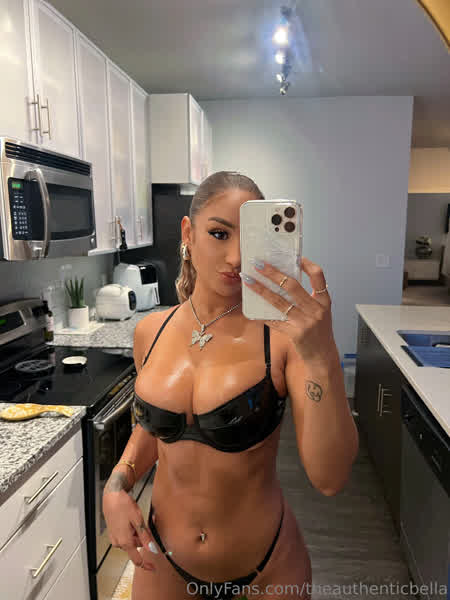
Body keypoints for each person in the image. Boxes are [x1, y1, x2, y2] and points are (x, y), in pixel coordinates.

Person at [102, 171, 359, 600]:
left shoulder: (282, 340)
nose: (237, 257)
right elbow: (153, 428)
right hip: (165, 562)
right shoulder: (151, 332)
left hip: (266, 571)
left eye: (251, 240)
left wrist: (322, 356)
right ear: (189, 233)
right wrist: (116, 485)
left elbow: (330, 478)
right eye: (219, 234)